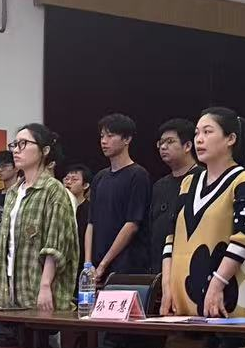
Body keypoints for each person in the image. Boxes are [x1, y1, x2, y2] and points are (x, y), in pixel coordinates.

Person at [162, 108, 245, 318]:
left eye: (208, 132)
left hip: (226, 302)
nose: (199, 139)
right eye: (197, 133)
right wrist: (166, 286)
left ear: (230, 139)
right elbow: (170, 237)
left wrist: (218, 283)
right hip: (181, 304)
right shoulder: (188, 182)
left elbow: (244, 238)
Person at [0, 125, 79, 312]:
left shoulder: (53, 190)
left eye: (23, 144)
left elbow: (56, 245)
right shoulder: (13, 192)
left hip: (38, 292)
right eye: (14, 144)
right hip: (8, 292)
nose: (16, 150)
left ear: (44, 150)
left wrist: (45, 285)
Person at [86, 114, 153, 283]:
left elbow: (132, 224)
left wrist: (104, 264)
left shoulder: (138, 175)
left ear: (127, 139)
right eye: (102, 136)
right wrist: (88, 264)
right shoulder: (99, 177)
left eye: (110, 136)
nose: (104, 141)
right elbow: (91, 223)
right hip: (96, 268)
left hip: (126, 267)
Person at [147, 119, 198, 304]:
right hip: (158, 272)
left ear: (187, 146)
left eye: (170, 142)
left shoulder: (203, 179)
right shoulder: (159, 185)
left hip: (189, 272)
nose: (163, 147)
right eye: (161, 143)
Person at [61, 162, 90, 257]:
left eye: (74, 179)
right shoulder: (60, 207)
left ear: (85, 185)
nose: (68, 182)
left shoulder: (90, 210)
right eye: (67, 179)